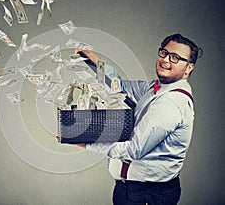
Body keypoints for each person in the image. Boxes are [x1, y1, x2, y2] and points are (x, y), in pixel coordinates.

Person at [62, 33, 202, 205]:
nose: (166, 60)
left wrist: (88, 143)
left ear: (188, 68)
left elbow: (134, 149)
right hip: (130, 190)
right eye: (164, 53)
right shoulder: (155, 88)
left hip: (149, 194)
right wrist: (95, 63)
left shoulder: (171, 102)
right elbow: (120, 87)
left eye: (175, 57)